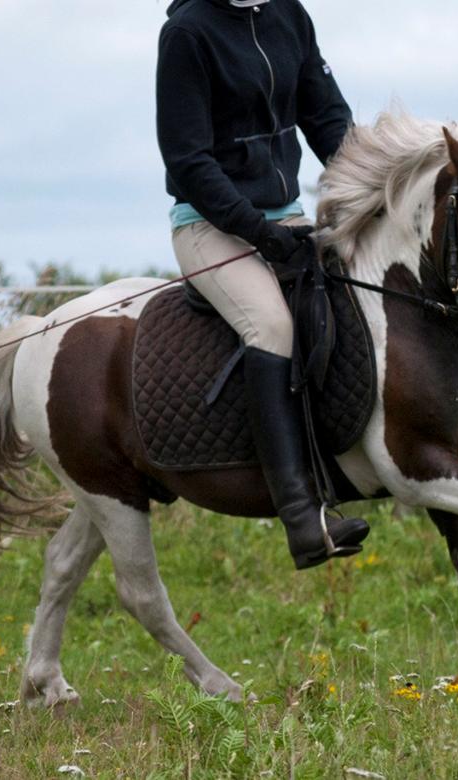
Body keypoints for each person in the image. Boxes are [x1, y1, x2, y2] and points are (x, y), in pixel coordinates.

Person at [156, 0, 369, 569]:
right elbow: (189, 161)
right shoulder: (187, 34)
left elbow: (327, 119)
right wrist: (256, 230)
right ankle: (302, 519)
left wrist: (371, 190)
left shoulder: (289, 16)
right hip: (207, 225)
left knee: (364, 295)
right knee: (272, 325)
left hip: (285, 215)